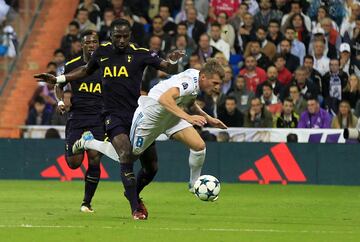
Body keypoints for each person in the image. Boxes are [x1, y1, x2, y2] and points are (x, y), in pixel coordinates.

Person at [34, 19, 184, 220]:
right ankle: (135, 209)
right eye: (117, 36)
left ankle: (132, 192)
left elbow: (167, 67)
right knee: (125, 155)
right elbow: (86, 70)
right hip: (111, 116)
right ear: (111, 35)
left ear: (130, 36)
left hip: (137, 116)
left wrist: (173, 61)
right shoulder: (102, 52)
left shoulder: (141, 53)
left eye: (125, 36)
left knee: (152, 167)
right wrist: (59, 80)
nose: (121, 40)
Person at [53, 30, 104, 213]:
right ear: (82, 45)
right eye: (88, 42)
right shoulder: (72, 65)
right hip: (77, 117)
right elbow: (58, 85)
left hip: (98, 118)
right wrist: (60, 101)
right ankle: (80, 145)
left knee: (95, 159)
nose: (92, 45)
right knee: (73, 163)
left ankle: (86, 202)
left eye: (95, 42)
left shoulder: (106, 65)